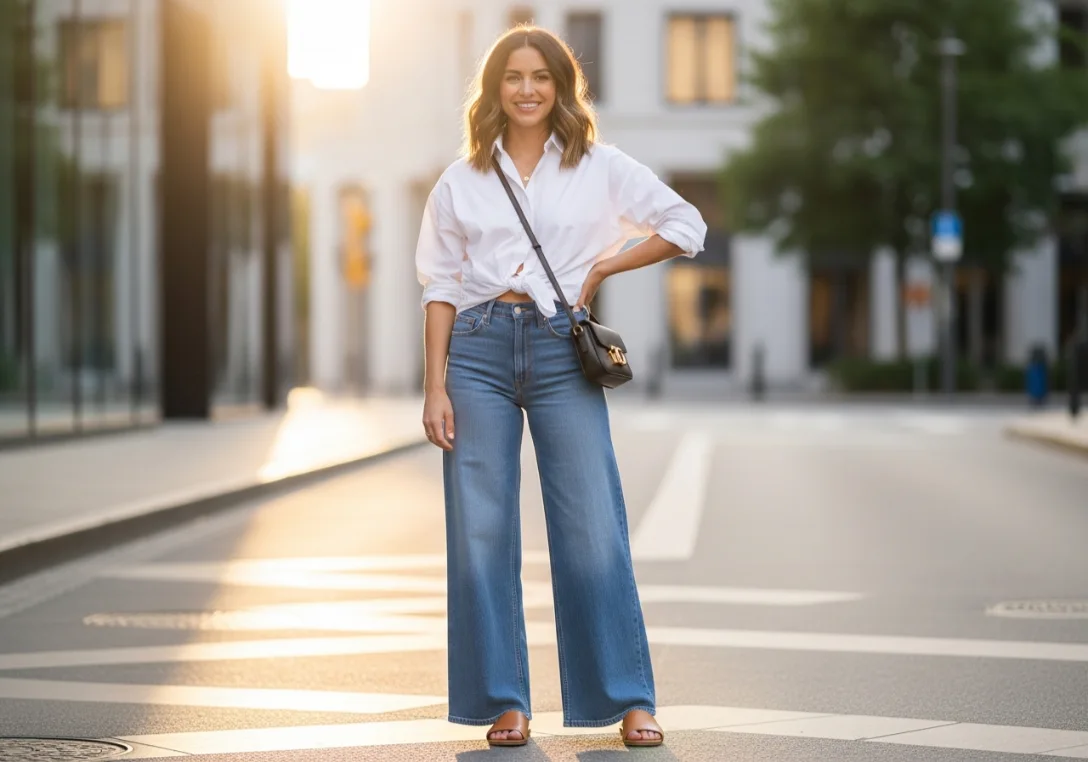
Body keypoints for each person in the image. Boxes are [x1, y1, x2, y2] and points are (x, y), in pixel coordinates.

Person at [415, 24, 706, 749]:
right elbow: (441, 286)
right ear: (493, 89)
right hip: (477, 353)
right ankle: (503, 701)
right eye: (512, 76)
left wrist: (603, 270)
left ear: (560, 87)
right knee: (479, 534)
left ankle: (629, 697)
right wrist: (434, 386)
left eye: (540, 76)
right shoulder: (462, 179)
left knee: (589, 526)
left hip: (556, 348)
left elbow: (686, 225)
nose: (526, 89)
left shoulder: (598, 166)